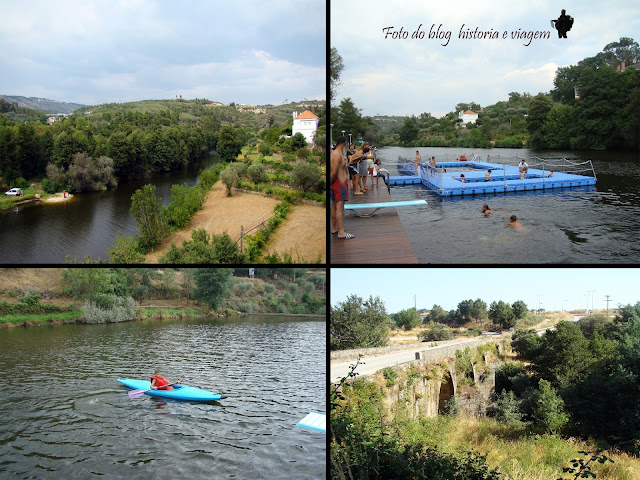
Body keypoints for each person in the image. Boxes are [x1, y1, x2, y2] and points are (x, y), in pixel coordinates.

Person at [330, 136, 354, 239]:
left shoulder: (334, 153)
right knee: (340, 207)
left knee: (335, 205)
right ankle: (341, 232)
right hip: (340, 183)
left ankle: (335, 228)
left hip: (337, 183)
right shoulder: (337, 155)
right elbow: (334, 172)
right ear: (344, 142)